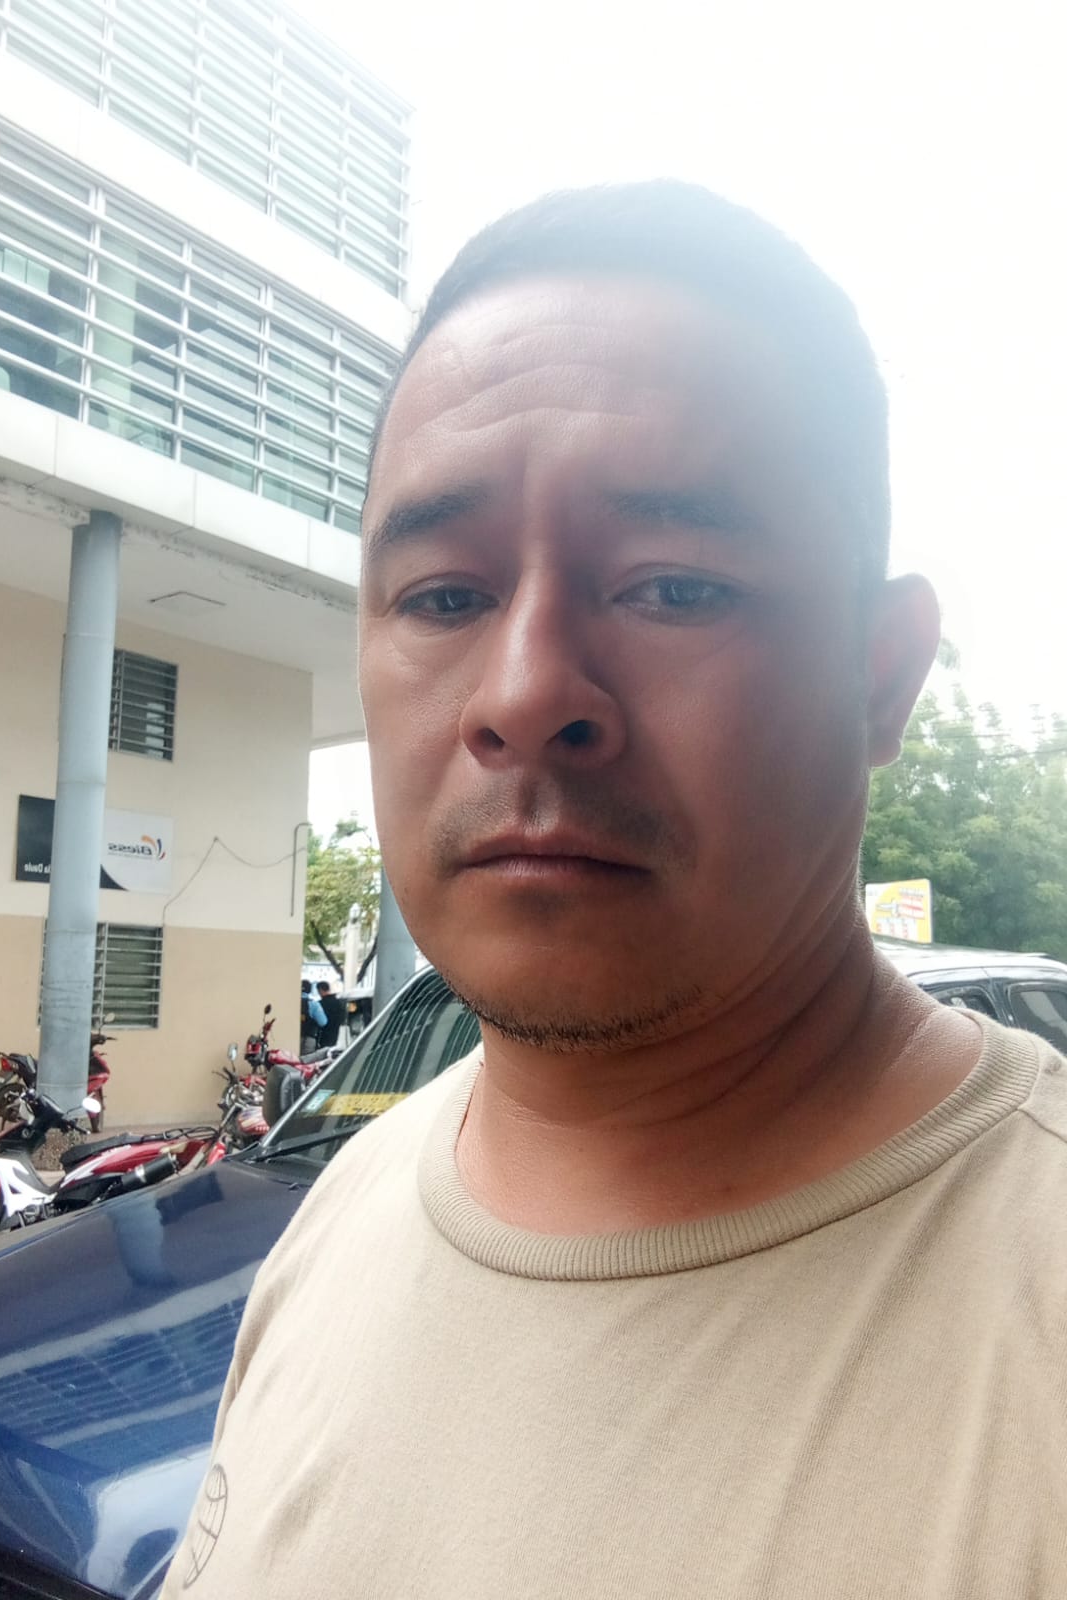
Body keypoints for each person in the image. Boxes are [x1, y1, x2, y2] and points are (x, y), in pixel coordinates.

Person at [166, 182, 1067, 1598]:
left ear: (880, 674)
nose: (525, 694)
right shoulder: (343, 1215)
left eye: (673, 586)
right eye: (445, 596)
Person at [316, 979, 346, 1050]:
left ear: (320, 990)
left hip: (323, 1035)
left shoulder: (320, 1004)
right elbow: (342, 1018)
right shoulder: (339, 1003)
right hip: (336, 1034)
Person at [298, 978, 325, 1054]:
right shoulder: (314, 1004)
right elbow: (323, 1022)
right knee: (306, 1059)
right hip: (308, 1038)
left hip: (291, 1037)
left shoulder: (290, 1002)